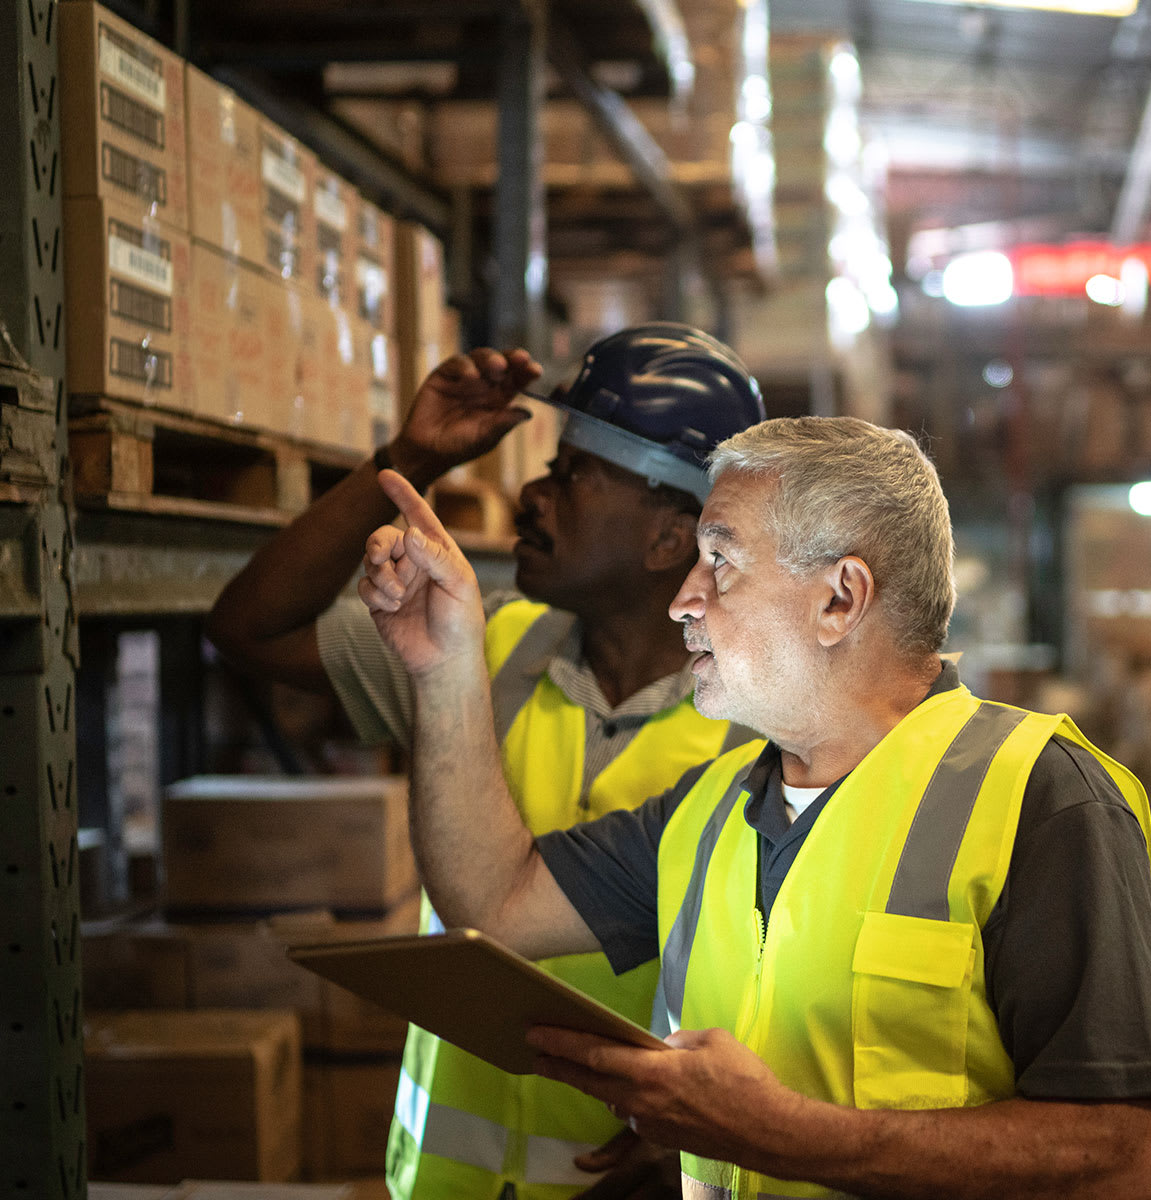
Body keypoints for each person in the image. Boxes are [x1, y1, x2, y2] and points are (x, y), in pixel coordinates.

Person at [356, 416, 1151, 1199]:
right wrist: (444, 670)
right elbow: (494, 901)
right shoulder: (709, 811)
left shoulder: (1042, 802)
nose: (683, 599)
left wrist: (781, 1134)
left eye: (720, 560)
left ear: (840, 599)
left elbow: (1129, 1162)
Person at [206, 323, 766, 1200]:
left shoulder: (762, 737)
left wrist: (726, 1135)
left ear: (671, 538)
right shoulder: (477, 646)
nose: (530, 495)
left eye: (572, 474)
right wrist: (406, 462)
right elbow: (249, 628)